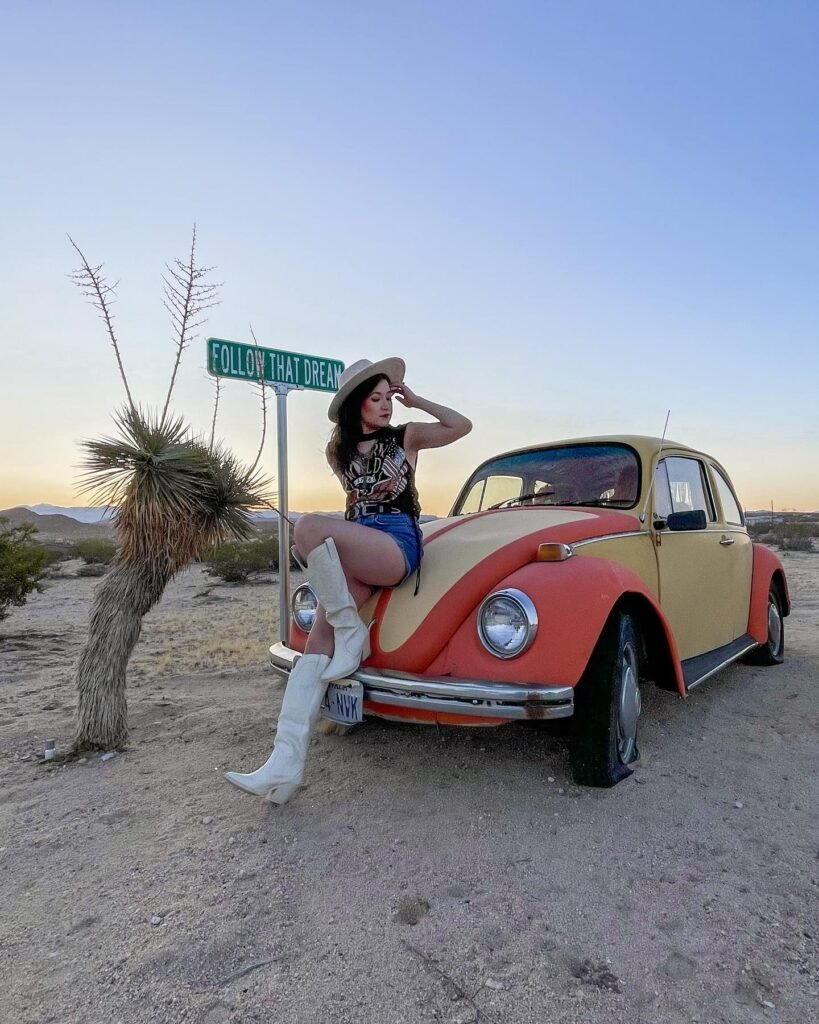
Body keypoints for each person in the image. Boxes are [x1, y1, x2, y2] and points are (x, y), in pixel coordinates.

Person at [225, 356, 472, 803]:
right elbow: (357, 506)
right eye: (375, 398)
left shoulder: (406, 436)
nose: (386, 406)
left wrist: (416, 400)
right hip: (360, 546)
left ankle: (352, 631)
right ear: (355, 403)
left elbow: (461, 425)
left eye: (387, 398)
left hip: (396, 546)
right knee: (317, 640)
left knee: (308, 528)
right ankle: (284, 767)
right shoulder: (336, 451)